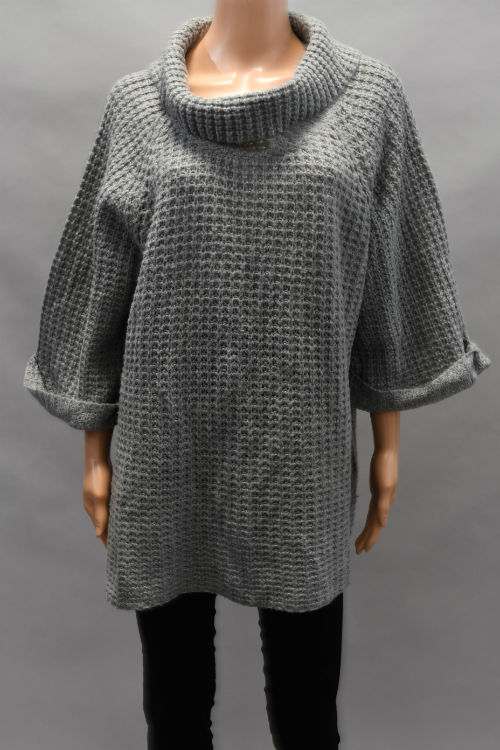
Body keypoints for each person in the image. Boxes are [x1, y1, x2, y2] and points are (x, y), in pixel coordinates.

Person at [23, 2, 491, 748]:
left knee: (307, 711)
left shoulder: (368, 101)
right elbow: (98, 282)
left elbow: (393, 275)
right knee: (174, 707)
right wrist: (95, 450)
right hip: (166, 443)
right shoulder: (138, 108)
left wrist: (387, 444)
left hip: (300, 447)